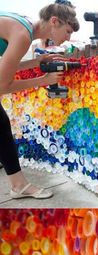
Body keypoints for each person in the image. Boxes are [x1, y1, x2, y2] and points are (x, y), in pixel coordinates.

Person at [0, 1, 80, 199]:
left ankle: (18, 184)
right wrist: (43, 81)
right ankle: (19, 185)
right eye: (68, 31)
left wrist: (37, 62)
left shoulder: (24, 26)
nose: (68, 38)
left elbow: (6, 67)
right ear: (54, 21)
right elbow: (2, 86)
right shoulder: (22, 36)